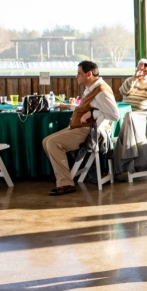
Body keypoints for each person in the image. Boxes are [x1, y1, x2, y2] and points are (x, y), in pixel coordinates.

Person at [43, 60, 119, 196]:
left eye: (79, 73)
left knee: (52, 143)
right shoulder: (91, 88)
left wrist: (92, 113)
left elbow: (114, 115)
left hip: (89, 131)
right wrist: (67, 106)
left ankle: (65, 183)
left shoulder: (101, 90)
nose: (76, 76)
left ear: (88, 74)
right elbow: (85, 108)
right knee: (46, 141)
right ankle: (62, 174)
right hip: (80, 127)